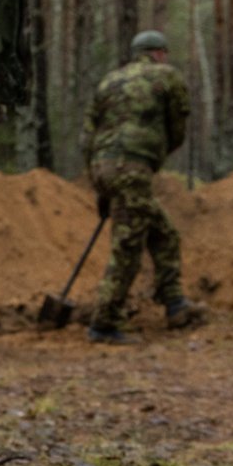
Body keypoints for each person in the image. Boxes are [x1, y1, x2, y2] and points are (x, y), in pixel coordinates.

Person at [81, 29, 204, 344]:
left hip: (103, 166)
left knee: (163, 233)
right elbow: (177, 127)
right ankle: (103, 323)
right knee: (128, 245)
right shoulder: (166, 77)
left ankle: (175, 304)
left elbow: (88, 134)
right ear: (159, 52)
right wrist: (155, 155)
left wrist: (101, 184)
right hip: (132, 167)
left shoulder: (109, 81)